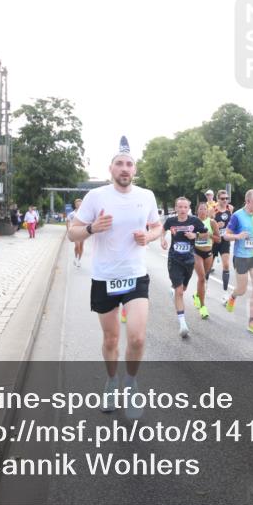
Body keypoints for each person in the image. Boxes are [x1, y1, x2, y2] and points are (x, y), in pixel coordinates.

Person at [68, 136, 162, 419]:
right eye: (119, 164)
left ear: (135, 170)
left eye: (129, 164)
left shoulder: (146, 196)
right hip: (105, 277)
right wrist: (93, 228)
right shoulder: (96, 197)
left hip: (135, 276)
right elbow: (73, 232)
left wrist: (149, 236)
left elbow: (158, 227)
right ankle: (111, 383)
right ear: (111, 169)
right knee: (111, 340)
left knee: (137, 338)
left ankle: (131, 384)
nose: (124, 168)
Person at [160, 197, 208, 338]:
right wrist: (162, 240)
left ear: (189, 208)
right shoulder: (171, 221)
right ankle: (182, 324)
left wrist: (195, 235)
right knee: (180, 292)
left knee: (183, 289)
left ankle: (173, 289)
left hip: (189, 260)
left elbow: (206, 233)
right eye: (179, 207)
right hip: (174, 260)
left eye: (185, 207)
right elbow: (162, 230)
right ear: (175, 208)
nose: (182, 210)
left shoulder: (194, 221)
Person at [224, 190, 253, 334]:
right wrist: (238, 236)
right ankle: (232, 296)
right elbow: (226, 236)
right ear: (247, 201)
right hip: (241, 256)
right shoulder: (237, 216)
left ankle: (252, 321)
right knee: (242, 289)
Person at [192, 201, 218, 319]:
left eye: (205, 209)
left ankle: (197, 295)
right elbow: (188, 235)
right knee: (202, 278)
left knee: (203, 278)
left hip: (208, 253)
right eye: (201, 209)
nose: (203, 211)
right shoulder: (192, 221)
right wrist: (199, 236)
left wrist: (210, 236)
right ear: (197, 211)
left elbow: (219, 240)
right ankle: (203, 307)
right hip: (196, 252)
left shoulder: (212, 222)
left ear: (208, 211)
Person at [212, 191, 235, 290]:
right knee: (208, 267)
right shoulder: (212, 210)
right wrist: (216, 226)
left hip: (225, 239)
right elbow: (206, 226)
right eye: (222, 198)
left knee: (226, 265)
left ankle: (225, 293)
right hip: (214, 240)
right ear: (218, 199)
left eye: (226, 198)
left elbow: (231, 223)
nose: (225, 200)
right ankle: (204, 286)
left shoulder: (230, 208)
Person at [67, 199, 84, 267]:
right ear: (75, 205)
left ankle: (78, 260)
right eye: (77, 204)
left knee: (81, 246)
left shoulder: (84, 213)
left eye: (80, 204)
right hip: (75, 231)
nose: (79, 205)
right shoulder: (72, 214)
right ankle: (76, 258)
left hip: (83, 231)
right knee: (77, 246)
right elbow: (68, 221)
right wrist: (68, 229)